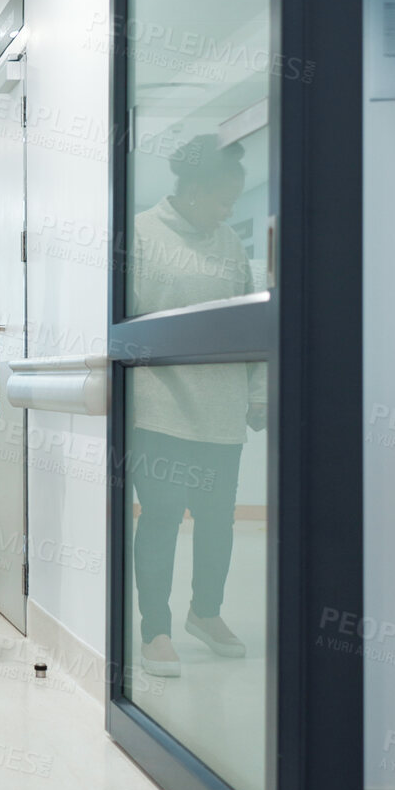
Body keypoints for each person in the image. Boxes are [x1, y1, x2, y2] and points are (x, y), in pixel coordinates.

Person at [127, 133, 266, 677]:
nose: (227, 210)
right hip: (159, 408)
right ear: (191, 188)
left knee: (217, 522)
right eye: (220, 198)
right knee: (160, 518)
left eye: (233, 200)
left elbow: (249, 322)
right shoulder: (140, 232)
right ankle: (154, 630)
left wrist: (257, 394)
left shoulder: (229, 242)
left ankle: (205, 613)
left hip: (222, 409)